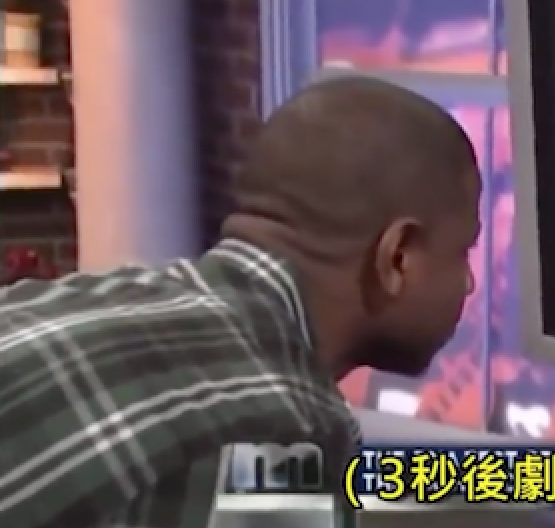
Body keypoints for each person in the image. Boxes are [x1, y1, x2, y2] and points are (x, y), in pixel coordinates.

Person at [0, 77, 481, 528]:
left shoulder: (79, 297)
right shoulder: (283, 439)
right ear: (397, 257)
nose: (470, 283)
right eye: (462, 251)